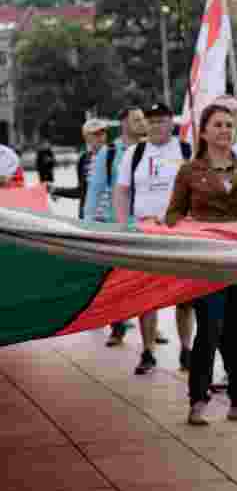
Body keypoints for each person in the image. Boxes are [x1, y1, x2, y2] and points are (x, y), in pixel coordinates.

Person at [165, 103, 237, 425]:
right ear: (204, 132)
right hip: (208, 262)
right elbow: (173, 214)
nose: (225, 129)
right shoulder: (190, 171)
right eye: (218, 124)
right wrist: (183, 228)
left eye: (229, 124)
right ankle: (198, 400)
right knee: (209, 328)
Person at [114, 102, 195, 375]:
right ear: (145, 124)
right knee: (146, 295)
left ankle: (186, 349)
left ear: (172, 122)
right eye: (152, 120)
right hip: (145, 233)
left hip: (179, 233)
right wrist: (123, 225)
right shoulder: (134, 154)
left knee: (185, 296)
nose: (157, 125)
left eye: (162, 120)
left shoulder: (186, 149)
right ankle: (148, 351)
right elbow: (122, 190)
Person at [84, 106, 148, 347]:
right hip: (116, 223)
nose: (142, 123)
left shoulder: (150, 149)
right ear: (124, 123)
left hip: (144, 224)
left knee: (143, 277)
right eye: (136, 119)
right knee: (115, 278)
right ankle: (117, 324)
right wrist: (88, 222)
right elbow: (96, 189)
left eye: (143, 119)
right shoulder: (109, 153)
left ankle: (148, 328)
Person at [49, 118, 108, 219]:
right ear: (86, 137)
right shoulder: (84, 159)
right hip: (89, 217)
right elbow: (82, 191)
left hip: (110, 217)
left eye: (102, 133)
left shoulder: (114, 155)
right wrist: (57, 190)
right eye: (95, 134)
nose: (100, 137)